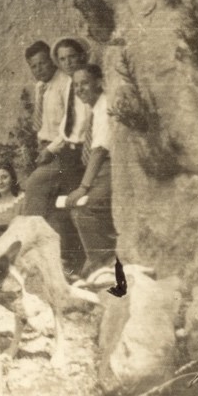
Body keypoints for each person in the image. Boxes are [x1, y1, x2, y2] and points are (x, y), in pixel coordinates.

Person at [23, 36, 91, 271]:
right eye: (34, 66)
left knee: (34, 186)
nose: (39, 69)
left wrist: (50, 150)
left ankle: (27, 246)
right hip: (46, 147)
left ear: (52, 62)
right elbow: (42, 124)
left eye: (43, 63)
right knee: (53, 209)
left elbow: (69, 126)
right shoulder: (41, 87)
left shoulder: (66, 84)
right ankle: (60, 258)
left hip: (61, 151)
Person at [65, 64, 117, 278]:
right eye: (76, 85)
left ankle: (102, 262)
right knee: (75, 206)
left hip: (112, 166)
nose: (80, 89)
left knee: (84, 208)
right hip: (103, 168)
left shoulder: (104, 106)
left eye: (84, 83)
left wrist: (83, 187)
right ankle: (97, 257)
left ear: (98, 82)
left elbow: (98, 151)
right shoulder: (95, 108)